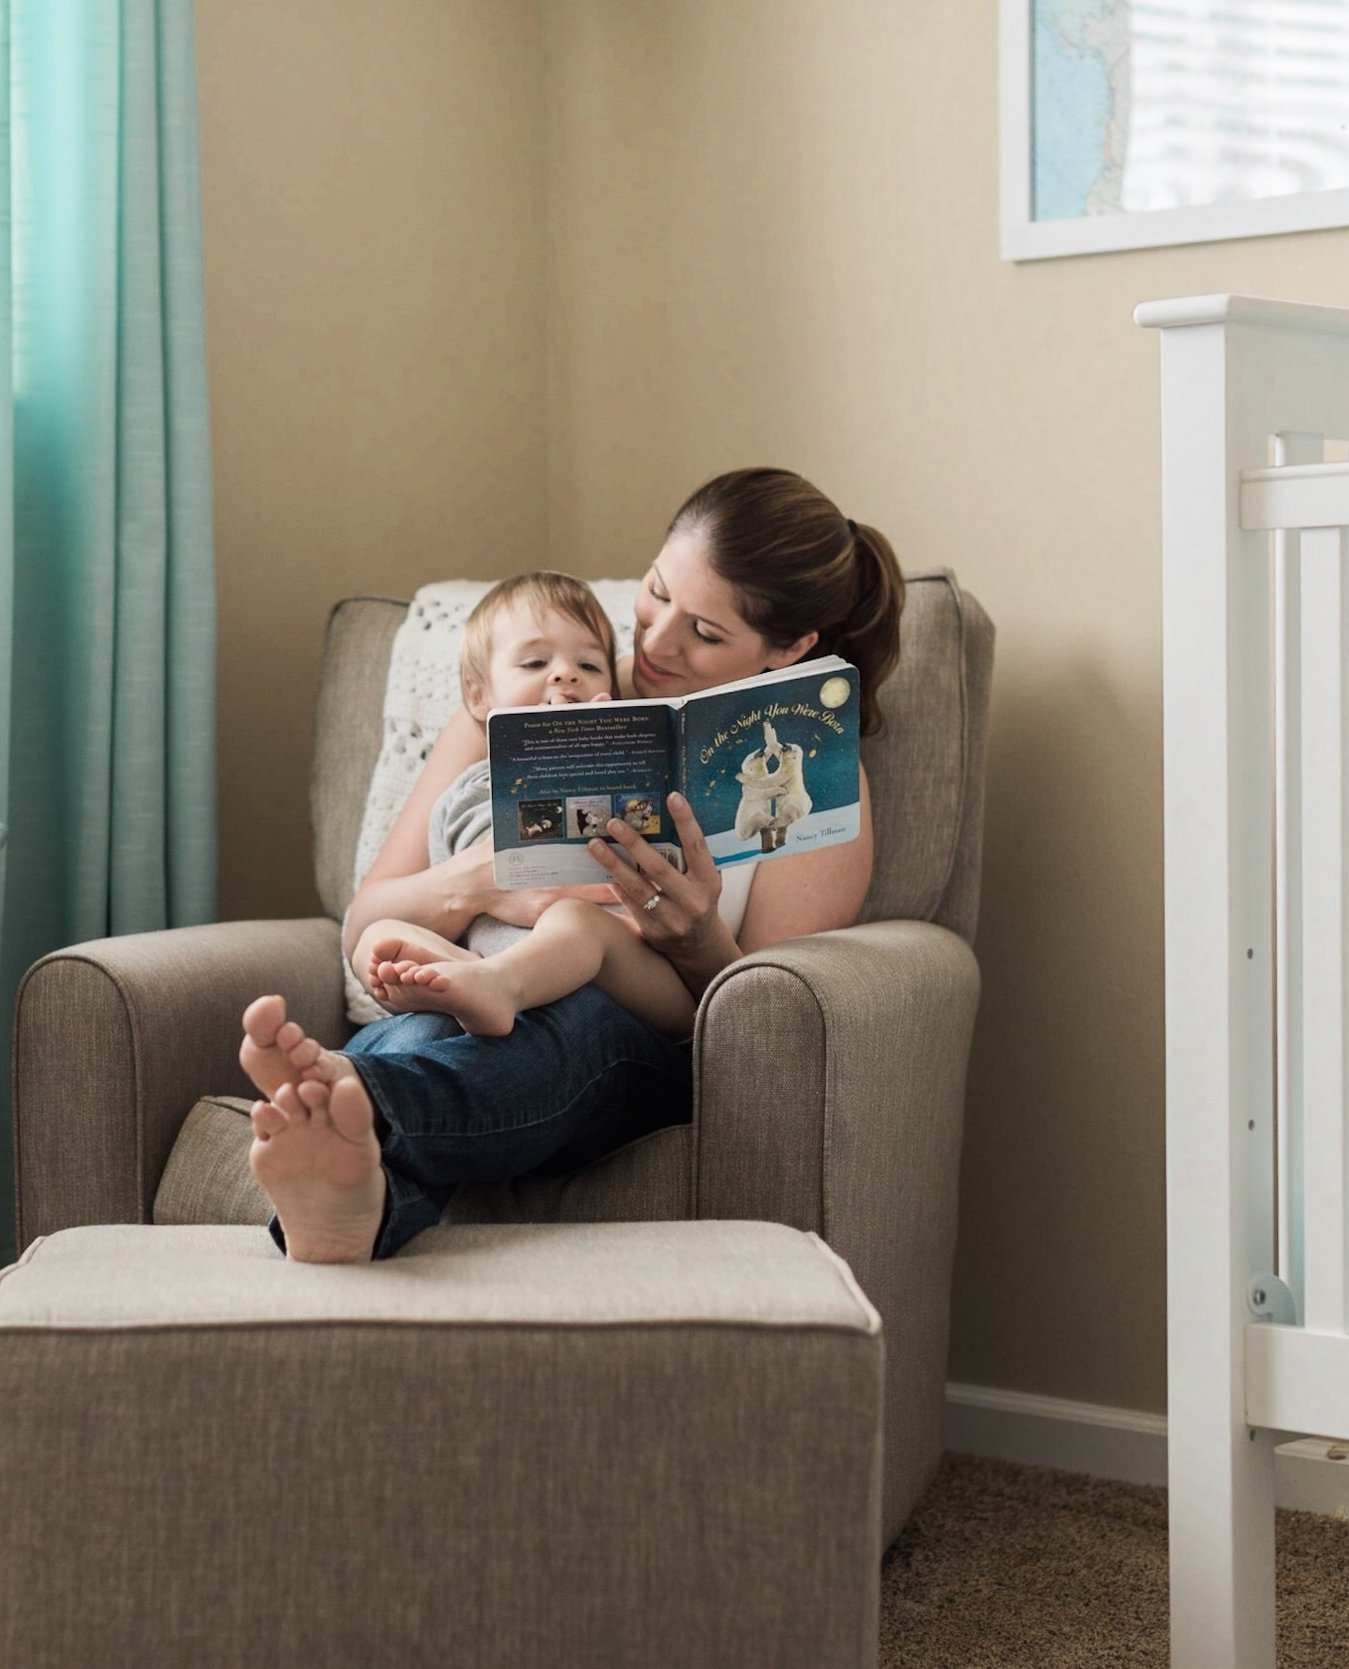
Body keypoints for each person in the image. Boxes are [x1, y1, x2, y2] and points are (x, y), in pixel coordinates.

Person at [239, 467, 908, 1263]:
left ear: (790, 648)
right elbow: (365, 920)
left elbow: (768, 1028)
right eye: (658, 593)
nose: (655, 644)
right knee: (424, 1024)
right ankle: (358, 1192)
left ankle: (350, 1100)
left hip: (633, 1043)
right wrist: (494, 877)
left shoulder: (822, 776)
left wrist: (695, 939)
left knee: (573, 1027)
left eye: (705, 632)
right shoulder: (528, 690)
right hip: (472, 992)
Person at [350, 569, 698, 1043]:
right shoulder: (462, 796)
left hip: (624, 979)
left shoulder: (627, 780)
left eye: (590, 665)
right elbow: (419, 901)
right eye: (535, 663)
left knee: (573, 918)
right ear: (478, 697)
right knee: (381, 934)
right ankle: (476, 977)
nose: (565, 673)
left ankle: (497, 983)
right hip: (488, 969)